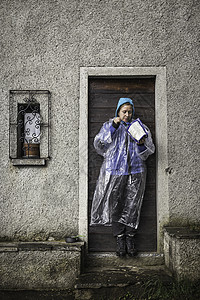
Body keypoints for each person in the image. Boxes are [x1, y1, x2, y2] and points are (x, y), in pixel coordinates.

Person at [90, 98, 155, 257]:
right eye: (124, 111)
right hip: (115, 172)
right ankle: (120, 239)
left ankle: (130, 239)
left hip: (136, 172)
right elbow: (99, 145)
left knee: (133, 206)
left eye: (129, 111)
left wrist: (140, 143)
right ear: (118, 112)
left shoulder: (139, 127)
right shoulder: (110, 126)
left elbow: (147, 152)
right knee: (116, 206)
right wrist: (113, 127)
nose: (127, 114)